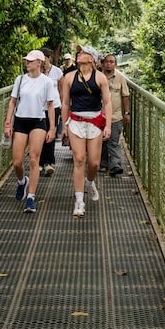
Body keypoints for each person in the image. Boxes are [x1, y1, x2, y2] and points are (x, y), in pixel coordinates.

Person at [61, 44, 112, 218]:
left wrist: (108, 125)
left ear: (91, 58)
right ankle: (79, 201)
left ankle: (89, 182)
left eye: (84, 52)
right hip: (76, 120)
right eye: (79, 52)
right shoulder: (69, 78)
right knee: (79, 159)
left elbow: (107, 103)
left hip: (95, 121)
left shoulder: (100, 78)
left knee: (94, 163)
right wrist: (64, 126)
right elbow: (66, 103)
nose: (80, 54)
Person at [3, 49, 56, 214]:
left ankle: (31, 197)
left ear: (39, 63)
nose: (27, 63)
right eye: (26, 60)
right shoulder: (20, 80)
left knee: (34, 159)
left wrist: (52, 127)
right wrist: (7, 123)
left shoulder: (47, 82)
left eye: (31, 61)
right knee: (17, 161)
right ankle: (21, 181)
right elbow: (13, 102)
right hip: (20, 120)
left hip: (38, 121)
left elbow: (50, 105)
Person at [100, 53, 130, 175]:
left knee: (114, 140)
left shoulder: (120, 77)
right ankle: (103, 163)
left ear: (115, 64)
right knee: (102, 141)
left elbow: (125, 95)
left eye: (111, 62)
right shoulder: (98, 76)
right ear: (103, 63)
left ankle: (115, 165)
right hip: (100, 115)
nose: (109, 64)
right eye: (107, 62)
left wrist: (127, 113)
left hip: (116, 115)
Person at [39, 47, 63, 176]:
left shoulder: (57, 72)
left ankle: (49, 161)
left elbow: (62, 90)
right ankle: (40, 162)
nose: (42, 61)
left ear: (49, 58)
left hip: (54, 106)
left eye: (44, 58)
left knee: (51, 131)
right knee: (40, 134)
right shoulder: (37, 72)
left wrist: (63, 106)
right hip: (39, 107)